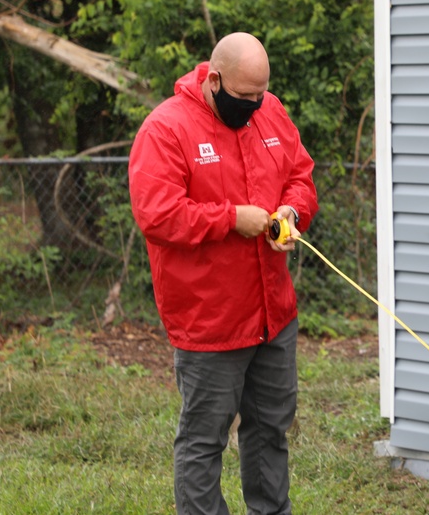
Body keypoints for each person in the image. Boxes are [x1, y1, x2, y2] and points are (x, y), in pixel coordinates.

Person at [128, 32, 318, 515]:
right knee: (204, 439)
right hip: (210, 319)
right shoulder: (165, 129)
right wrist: (231, 218)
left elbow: (300, 175)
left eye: (262, 94)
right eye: (245, 97)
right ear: (214, 80)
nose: (256, 106)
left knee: (270, 428)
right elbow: (158, 214)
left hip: (273, 312)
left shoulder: (269, 111)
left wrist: (292, 214)